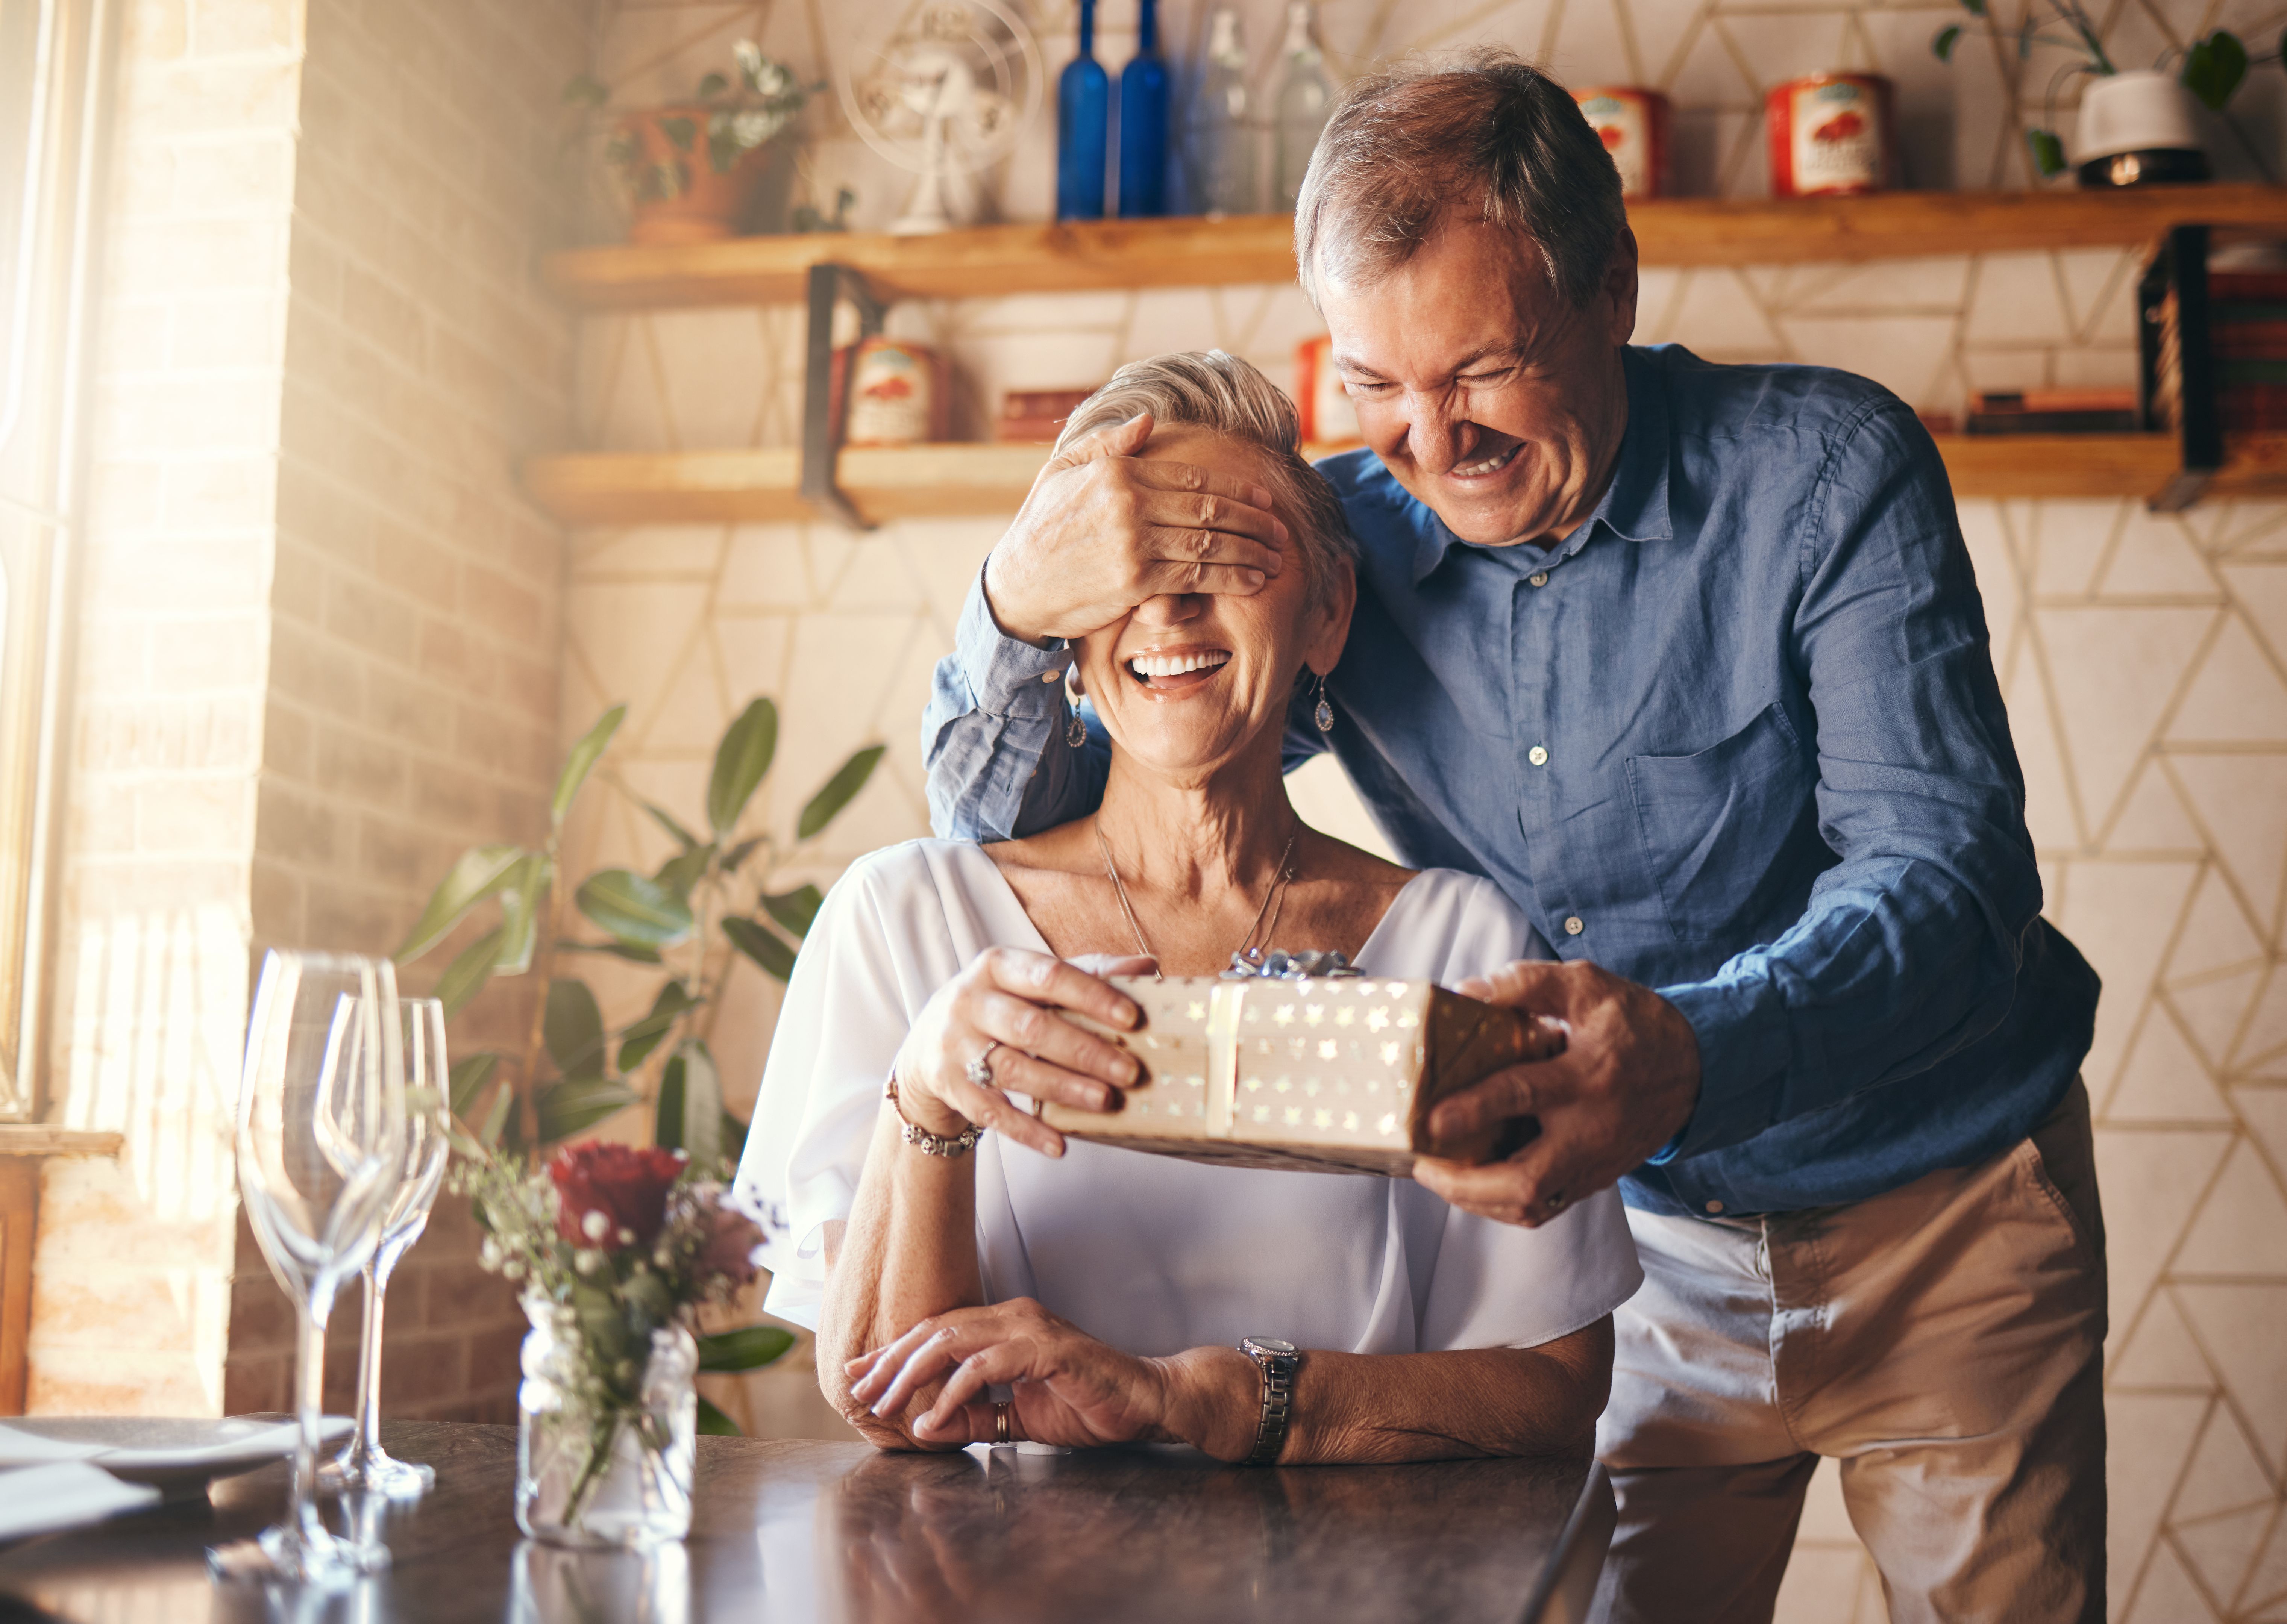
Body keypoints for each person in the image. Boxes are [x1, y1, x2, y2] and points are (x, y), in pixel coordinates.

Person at [919, 52, 2106, 1624]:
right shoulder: (1344, 556)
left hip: (1942, 1214)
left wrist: (1686, 1055)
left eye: (1481, 371)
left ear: (1610, 288)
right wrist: (1015, 597)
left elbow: (1949, 883)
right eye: (1373, 386)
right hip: (1643, 1256)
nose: (1427, 443)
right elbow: (997, 834)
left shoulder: (1826, 472)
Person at [737, 352, 1640, 1466]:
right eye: (1130, 561)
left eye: (1226, 551)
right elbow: (887, 1399)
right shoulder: (901, 920)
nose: (1168, 601)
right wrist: (929, 1094)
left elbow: (1550, 1387)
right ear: (1064, 629)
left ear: (1327, 612)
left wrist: (1204, 1398)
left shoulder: (1463, 942)